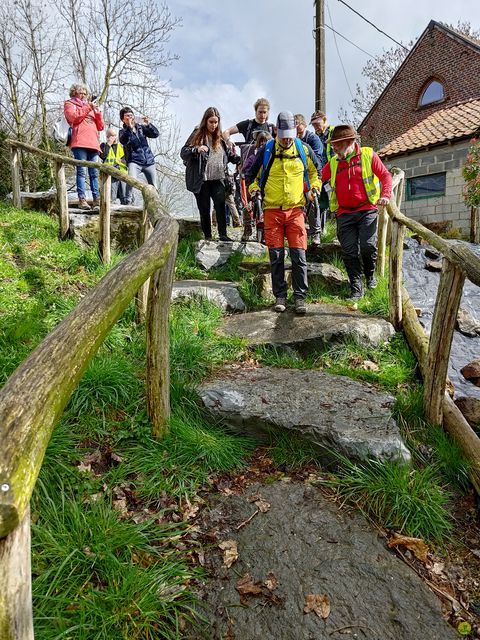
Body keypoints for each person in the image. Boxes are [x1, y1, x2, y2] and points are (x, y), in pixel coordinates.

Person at [248, 111, 321, 314]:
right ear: (276, 133)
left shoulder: (303, 150)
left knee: (299, 256)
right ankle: (280, 296)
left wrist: (315, 187)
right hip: (272, 211)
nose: (287, 140)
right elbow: (251, 176)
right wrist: (254, 191)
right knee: (276, 256)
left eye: (291, 135)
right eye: (283, 136)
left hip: (296, 210)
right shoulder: (267, 151)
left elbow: (317, 172)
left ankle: (300, 298)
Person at [321, 124, 392, 300]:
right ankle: (356, 289)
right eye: (333, 144)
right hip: (344, 213)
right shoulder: (334, 163)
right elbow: (317, 179)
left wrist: (385, 195)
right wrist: (307, 189)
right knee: (349, 251)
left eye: (337, 144)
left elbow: (385, 176)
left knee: (367, 246)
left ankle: (369, 276)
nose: (333, 148)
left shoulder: (368, 155)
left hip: (367, 209)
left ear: (349, 142)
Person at [180, 106, 240, 242]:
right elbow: (183, 152)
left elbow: (228, 155)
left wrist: (239, 160)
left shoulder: (220, 137)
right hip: (202, 179)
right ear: (205, 121)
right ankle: (207, 236)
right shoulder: (197, 133)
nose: (213, 125)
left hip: (218, 177)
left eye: (216, 122)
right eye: (211, 122)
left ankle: (223, 235)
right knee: (205, 208)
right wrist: (196, 149)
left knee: (220, 206)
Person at [64, 84, 104, 210]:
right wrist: (88, 107)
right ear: (74, 92)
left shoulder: (90, 106)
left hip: (93, 143)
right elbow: (73, 118)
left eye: (85, 93)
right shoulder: (69, 104)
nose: (84, 95)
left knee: (94, 173)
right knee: (81, 172)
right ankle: (82, 199)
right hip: (79, 141)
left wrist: (97, 113)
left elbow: (101, 126)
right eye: (81, 92)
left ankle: (96, 200)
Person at [118, 107, 159, 205]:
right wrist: (129, 128)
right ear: (123, 119)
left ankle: (155, 203)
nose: (130, 117)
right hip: (134, 162)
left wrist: (148, 124)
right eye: (127, 116)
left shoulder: (141, 128)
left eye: (131, 115)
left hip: (148, 161)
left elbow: (156, 134)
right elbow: (124, 141)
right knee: (131, 181)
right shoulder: (122, 131)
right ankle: (128, 201)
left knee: (154, 185)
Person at [295, 114, 324, 245]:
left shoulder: (313, 139)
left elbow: (317, 160)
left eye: (299, 126)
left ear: (304, 125)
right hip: (296, 176)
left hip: (310, 175)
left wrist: (302, 146)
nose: (297, 131)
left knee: (312, 198)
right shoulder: (291, 140)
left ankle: (316, 232)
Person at [99, 128, 128, 204]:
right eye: (111, 135)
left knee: (125, 198)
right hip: (109, 176)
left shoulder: (121, 146)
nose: (114, 137)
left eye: (115, 135)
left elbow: (126, 160)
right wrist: (108, 144)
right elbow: (103, 156)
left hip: (122, 175)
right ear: (107, 136)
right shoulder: (103, 145)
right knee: (111, 198)